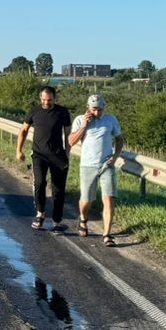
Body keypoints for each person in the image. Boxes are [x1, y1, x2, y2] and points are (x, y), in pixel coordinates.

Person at [68, 93, 124, 245]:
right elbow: (71, 141)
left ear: (104, 108)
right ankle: (83, 219)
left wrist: (115, 156)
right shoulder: (80, 119)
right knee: (86, 199)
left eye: (99, 109)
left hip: (107, 165)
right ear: (88, 108)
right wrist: (84, 126)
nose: (97, 112)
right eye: (93, 109)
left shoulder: (110, 120)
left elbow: (119, 139)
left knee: (109, 198)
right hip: (88, 165)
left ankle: (107, 234)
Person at [16, 86, 71, 230]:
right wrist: (19, 150)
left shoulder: (62, 112)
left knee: (58, 190)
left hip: (58, 155)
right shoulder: (34, 111)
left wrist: (67, 153)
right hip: (39, 154)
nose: (47, 102)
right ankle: (40, 214)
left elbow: (68, 134)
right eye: (44, 100)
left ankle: (57, 221)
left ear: (54, 98)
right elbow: (23, 130)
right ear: (40, 98)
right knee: (40, 183)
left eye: (50, 100)